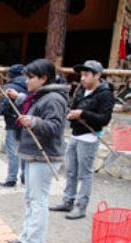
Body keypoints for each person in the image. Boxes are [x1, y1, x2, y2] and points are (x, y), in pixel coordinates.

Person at [4, 59, 69, 243]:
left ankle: (33, 242)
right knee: (30, 198)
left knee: (38, 200)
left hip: (44, 156)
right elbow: (34, 106)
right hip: (33, 155)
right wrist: (19, 98)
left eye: (31, 78)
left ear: (43, 79)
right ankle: (26, 236)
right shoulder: (40, 96)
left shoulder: (54, 99)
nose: (26, 81)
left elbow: (56, 127)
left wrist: (33, 122)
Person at [49, 60, 115, 219]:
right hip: (75, 134)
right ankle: (68, 201)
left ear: (97, 75)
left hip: (90, 137)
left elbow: (104, 119)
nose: (82, 78)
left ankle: (80, 206)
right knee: (70, 171)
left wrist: (82, 114)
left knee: (84, 174)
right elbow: (74, 108)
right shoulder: (80, 90)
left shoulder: (105, 94)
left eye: (86, 75)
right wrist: (72, 115)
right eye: (82, 75)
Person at [0, 64, 27, 187]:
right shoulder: (30, 85)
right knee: (24, 150)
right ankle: (25, 176)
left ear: (10, 75)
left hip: (12, 122)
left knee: (13, 151)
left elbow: (5, 104)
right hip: (25, 121)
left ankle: (11, 178)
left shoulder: (9, 87)